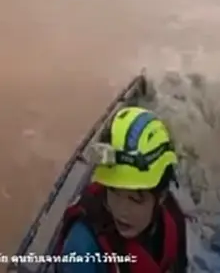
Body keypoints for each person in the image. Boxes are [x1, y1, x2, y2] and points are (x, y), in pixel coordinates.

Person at [54, 106, 188, 273]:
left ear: (160, 196)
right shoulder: (82, 249)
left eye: (135, 199)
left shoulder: (173, 218)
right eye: (114, 192)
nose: (121, 210)